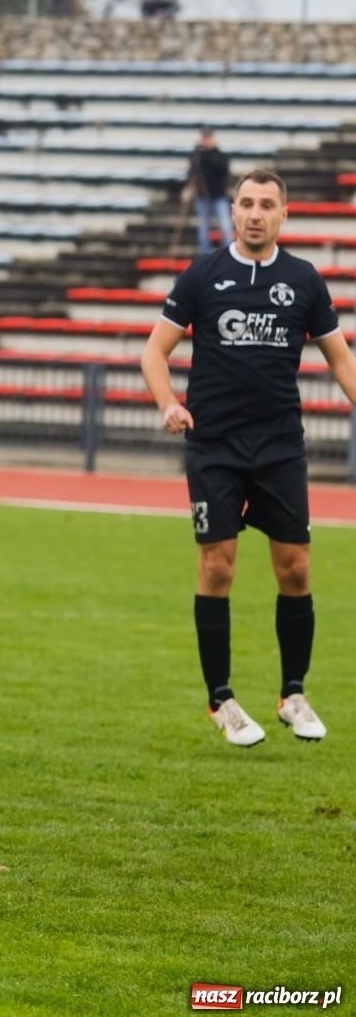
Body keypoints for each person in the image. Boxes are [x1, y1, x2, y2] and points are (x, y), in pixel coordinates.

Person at [140, 169, 353, 747]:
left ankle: (293, 693)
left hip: (280, 444)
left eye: (267, 204)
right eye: (246, 203)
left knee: (297, 568)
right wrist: (167, 403)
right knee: (217, 567)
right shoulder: (202, 274)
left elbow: (340, 359)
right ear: (232, 213)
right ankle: (221, 700)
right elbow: (154, 353)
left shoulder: (304, 281)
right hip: (215, 446)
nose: (255, 213)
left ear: (285, 215)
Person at [188, 128, 233, 255]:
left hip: (219, 196)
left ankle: (228, 252)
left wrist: (208, 153)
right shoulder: (197, 156)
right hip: (202, 197)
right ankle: (205, 254)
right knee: (203, 227)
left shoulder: (220, 155)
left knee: (225, 226)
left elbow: (223, 169)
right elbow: (191, 173)